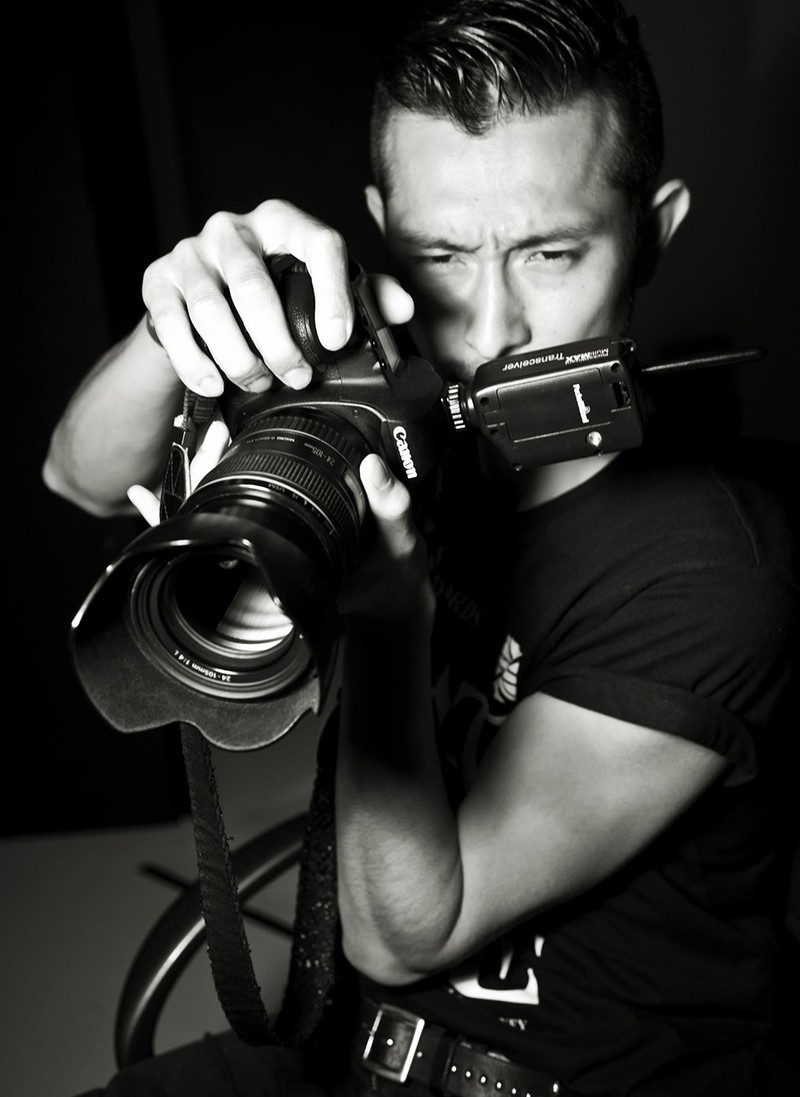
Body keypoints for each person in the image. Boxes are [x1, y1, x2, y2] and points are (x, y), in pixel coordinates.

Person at [45, 1, 798, 1095]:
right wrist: (179, 324)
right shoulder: (384, 397)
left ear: (652, 230)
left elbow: (409, 931)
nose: (488, 331)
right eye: (439, 254)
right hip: (336, 1046)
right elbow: (77, 475)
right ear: (379, 225)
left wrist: (391, 616)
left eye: (550, 252)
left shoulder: (711, 561)